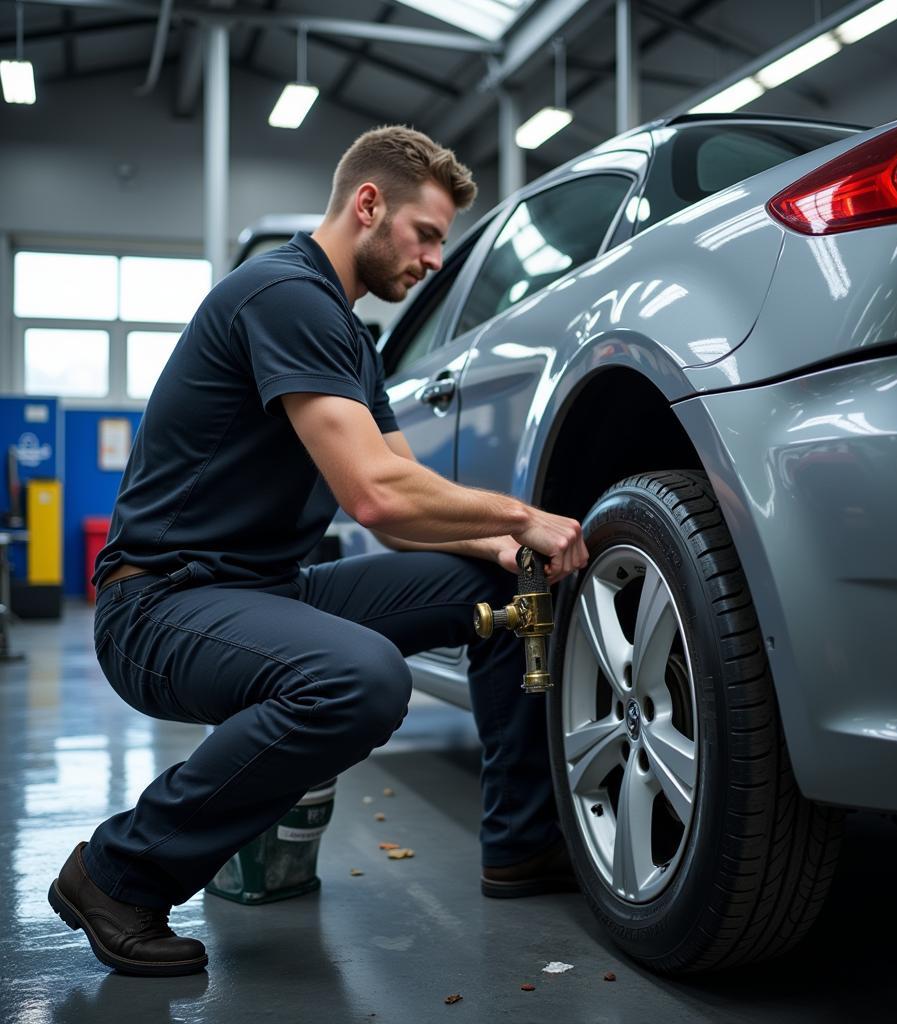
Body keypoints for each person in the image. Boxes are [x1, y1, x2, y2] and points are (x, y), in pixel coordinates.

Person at [48, 126, 589, 978]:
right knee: (360, 679)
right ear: (368, 205)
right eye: (427, 234)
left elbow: (400, 508)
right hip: (155, 607)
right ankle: (118, 873)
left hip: (266, 589)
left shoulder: (349, 338)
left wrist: (506, 542)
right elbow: (374, 492)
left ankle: (521, 845)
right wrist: (525, 513)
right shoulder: (282, 294)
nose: (436, 260)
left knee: (501, 580)